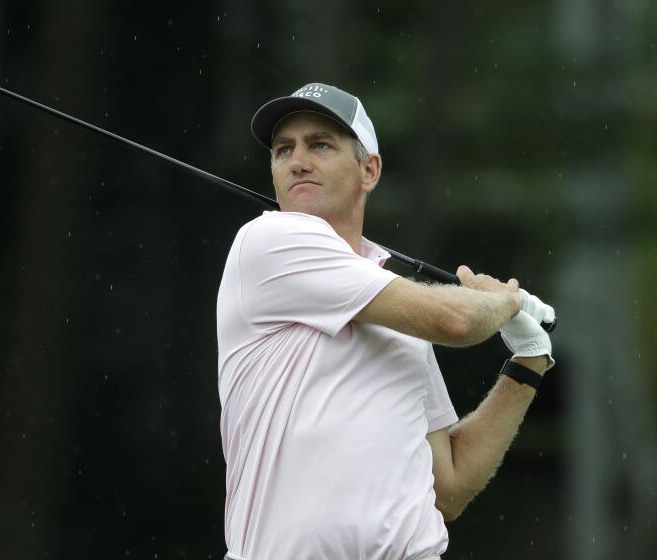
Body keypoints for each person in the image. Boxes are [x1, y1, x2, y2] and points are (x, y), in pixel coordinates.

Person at [216, 83, 555, 560]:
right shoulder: (269, 241)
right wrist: (509, 303)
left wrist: (529, 359)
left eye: (320, 144)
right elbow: (456, 320)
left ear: (368, 170)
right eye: (283, 150)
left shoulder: (396, 307)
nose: (297, 161)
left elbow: (450, 487)